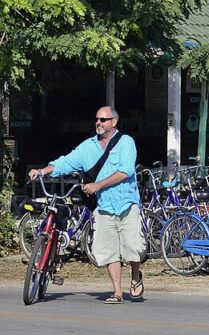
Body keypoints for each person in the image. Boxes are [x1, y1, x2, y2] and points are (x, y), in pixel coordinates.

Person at [29, 106, 145, 304]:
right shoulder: (88, 146)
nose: (98, 123)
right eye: (97, 119)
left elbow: (125, 171)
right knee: (109, 251)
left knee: (133, 248)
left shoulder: (126, 143)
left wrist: (97, 185)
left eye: (103, 119)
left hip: (126, 203)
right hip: (103, 205)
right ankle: (117, 291)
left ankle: (135, 275)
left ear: (114, 122)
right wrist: (43, 171)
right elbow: (66, 162)